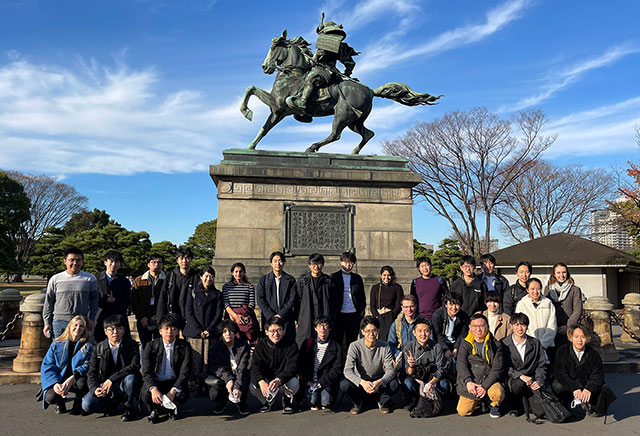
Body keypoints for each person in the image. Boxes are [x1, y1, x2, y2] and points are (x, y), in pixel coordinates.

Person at [286, 13, 358, 113]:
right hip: (332, 72)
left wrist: (312, 58)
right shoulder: (341, 46)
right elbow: (350, 63)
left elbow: (316, 59)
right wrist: (347, 72)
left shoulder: (327, 44)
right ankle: (306, 111)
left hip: (324, 71)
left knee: (310, 78)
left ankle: (303, 102)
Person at [82, 314, 142, 421]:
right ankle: (112, 402)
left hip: (123, 383)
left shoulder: (132, 345)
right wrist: (94, 389)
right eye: (111, 329)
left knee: (131, 379)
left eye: (119, 328)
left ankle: (128, 406)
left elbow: (135, 366)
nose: (115, 332)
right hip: (105, 386)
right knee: (87, 405)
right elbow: (92, 372)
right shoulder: (98, 348)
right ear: (105, 331)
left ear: (124, 330)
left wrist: (111, 379)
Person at [552, 324, 616, 418]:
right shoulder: (562, 351)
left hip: (585, 383)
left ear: (587, 338)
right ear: (570, 338)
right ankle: (565, 404)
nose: (579, 340)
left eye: (583, 337)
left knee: (604, 388)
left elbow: (597, 375)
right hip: (570, 384)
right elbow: (560, 373)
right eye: (576, 337)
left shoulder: (593, 354)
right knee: (557, 385)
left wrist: (589, 389)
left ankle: (592, 406)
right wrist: (573, 388)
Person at [340, 316, 398, 414]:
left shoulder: (385, 346)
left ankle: (383, 401)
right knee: (344, 384)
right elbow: (347, 370)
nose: (371, 334)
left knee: (394, 384)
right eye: (367, 331)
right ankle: (357, 403)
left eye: (374, 330)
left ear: (378, 331)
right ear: (362, 332)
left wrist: (380, 382)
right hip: (361, 383)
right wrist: (362, 382)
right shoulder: (355, 346)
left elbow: (390, 370)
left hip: (378, 383)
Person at [142, 313, 191, 423]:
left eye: (173, 329)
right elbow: (146, 372)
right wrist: (153, 388)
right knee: (146, 393)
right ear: (160, 331)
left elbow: (185, 371)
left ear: (177, 331)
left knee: (181, 394)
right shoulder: (151, 346)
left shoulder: (185, 346)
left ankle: (173, 408)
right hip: (157, 381)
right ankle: (154, 410)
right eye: (166, 328)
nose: (169, 332)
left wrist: (173, 391)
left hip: (174, 382)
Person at [40, 315, 93, 415]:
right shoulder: (56, 344)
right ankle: (60, 402)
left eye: (81, 326)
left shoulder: (88, 346)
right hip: (59, 379)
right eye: (75, 325)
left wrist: (74, 376)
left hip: (76, 379)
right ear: (69, 326)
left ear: (84, 330)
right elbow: (47, 365)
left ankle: (78, 401)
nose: (78, 328)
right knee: (50, 397)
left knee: (82, 383)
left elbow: (89, 364)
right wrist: (54, 383)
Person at [456, 314, 505, 418]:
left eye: (482, 326)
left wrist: (484, 386)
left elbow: (497, 369)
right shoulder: (465, 343)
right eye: (475, 326)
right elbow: (461, 364)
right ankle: (479, 401)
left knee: (497, 393)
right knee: (463, 411)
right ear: (470, 327)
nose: (478, 329)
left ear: (487, 326)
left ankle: (493, 404)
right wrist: (468, 381)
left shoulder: (496, 345)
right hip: (472, 380)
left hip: (489, 380)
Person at [43, 247, 98, 339]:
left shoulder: (90, 279)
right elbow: (49, 302)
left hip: (80, 322)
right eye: (71, 260)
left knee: (80, 351)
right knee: (60, 350)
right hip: (59, 322)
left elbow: (94, 301)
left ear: (82, 261)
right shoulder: (55, 279)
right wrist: (47, 323)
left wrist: (91, 319)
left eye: (78, 260)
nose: (75, 263)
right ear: (65, 261)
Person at [184, 266, 223, 394]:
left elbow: (218, 314)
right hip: (195, 332)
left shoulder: (217, 294)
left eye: (211, 276)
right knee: (195, 360)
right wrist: (198, 329)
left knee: (207, 361)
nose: (208, 279)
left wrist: (209, 330)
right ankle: (194, 384)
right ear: (201, 277)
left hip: (209, 332)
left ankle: (205, 385)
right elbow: (188, 311)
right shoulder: (193, 292)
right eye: (206, 276)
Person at [250, 317, 299, 414]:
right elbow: (255, 367)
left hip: (283, 380)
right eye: (272, 331)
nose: (276, 334)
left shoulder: (291, 345)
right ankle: (267, 401)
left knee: (294, 383)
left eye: (279, 330)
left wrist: (279, 379)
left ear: (283, 330)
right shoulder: (260, 346)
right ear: (266, 332)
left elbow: (292, 367)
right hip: (267, 380)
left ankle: (287, 399)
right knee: (253, 387)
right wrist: (261, 381)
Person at [399, 317, 448, 413]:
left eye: (426, 331)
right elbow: (407, 372)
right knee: (407, 383)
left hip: (432, 378)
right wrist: (411, 365)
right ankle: (414, 400)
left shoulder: (436, 347)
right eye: (420, 331)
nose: (423, 334)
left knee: (444, 385)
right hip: (416, 379)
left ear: (430, 332)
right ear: (414, 332)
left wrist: (431, 383)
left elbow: (441, 369)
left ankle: (435, 399)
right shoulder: (408, 347)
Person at [501, 312, 546, 417]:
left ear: (527, 326)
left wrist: (539, 381)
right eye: (516, 325)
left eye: (523, 325)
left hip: (531, 380)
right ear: (511, 326)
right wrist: (520, 376)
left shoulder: (535, 343)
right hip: (514, 379)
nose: (520, 328)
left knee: (541, 412)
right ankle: (516, 405)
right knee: (518, 384)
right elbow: (504, 366)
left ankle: (529, 402)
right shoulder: (504, 343)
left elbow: (541, 365)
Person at [297, 316, 344, 410]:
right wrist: (307, 379)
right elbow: (301, 364)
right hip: (310, 381)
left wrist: (322, 382)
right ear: (315, 328)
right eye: (319, 325)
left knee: (326, 403)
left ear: (329, 328)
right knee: (312, 401)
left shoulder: (336, 346)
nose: (322, 328)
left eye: (325, 325)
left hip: (326, 381)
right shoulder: (308, 343)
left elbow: (337, 368)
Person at [206, 320, 251, 415]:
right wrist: (229, 380)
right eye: (224, 331)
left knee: (245, 376)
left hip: (239, 373)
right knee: (214, 393)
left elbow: (243, 367)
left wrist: (237, 386)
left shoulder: (243, 345)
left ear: (234, 332)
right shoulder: (215, 348)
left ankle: (241, 402)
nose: (228, 334)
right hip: (223, 376)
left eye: (230, 331)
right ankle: (222, 402)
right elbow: (216, 367)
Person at [256, 251, 298, 342]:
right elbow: (260, 299)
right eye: (275, 261)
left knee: (287, 342)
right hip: (269, 318)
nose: (278, 263)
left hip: (286, 317)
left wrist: (281, 314)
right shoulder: (264, 280)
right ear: (271, 263)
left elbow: (292, 299)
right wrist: (271, 316)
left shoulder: (290, 280)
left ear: (284, 262)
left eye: (280, 261)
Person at [296, 253, 335, 347]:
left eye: (319, 263)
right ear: (309, 265)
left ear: (323, 265)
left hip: (324, 315)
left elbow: (334, 301)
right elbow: (297, 300)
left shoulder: (328, 281)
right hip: (307, 317)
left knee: (323, 342)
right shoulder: (303, 281)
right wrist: (297, 319)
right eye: (313, 264)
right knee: (307, 343)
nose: (316, 266)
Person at [330, 251, 366, 352]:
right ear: (341, 262)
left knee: (352, 342)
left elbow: (362, 297)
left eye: (351, 263)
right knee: (338, 341)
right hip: (339, 315)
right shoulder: (333, 277)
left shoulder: (357, 278)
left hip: (353, 314)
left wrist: (361, 313)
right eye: (346, 262)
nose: (348, 265)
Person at [544, 262, 584, 349]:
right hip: (552, 328)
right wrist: (554, 326)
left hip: (568, 329)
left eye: (564, 272)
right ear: (554, 274)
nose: (561, 275)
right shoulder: (548, 289)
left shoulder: (575, 290)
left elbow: (578, 310)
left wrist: (568, 326)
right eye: (558, 273)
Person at [95, 250, 131, 343]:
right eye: (111, 261)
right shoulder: (96, 279)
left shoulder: (124, 281)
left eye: (117, 262)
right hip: (101, 317)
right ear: (105, 262)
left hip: (119, 316)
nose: (114, 264)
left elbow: (127, 299)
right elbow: (93, 298)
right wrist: (105, 301)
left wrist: (116, 302)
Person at [130, 254, 166, 348]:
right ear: (148, 264)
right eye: (153, 262)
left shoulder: (167, 280)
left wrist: (158, 316)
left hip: (160, 319)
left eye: (159, 262)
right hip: (143, 319)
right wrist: (142, 317)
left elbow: (168, 300)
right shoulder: (139, 280)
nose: (156, 264)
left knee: (160, 347)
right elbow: (134, 301)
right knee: (145, 347)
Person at [515, 278, 556, 356]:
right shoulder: (521, 304)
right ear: (527, 290)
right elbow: (520, 325)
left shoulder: (548, 303)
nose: (535, 292)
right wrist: (531, 343)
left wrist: (542, 344)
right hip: (528, 346)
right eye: (532, 289)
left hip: (547, 346)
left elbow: (552, 326)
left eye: (538, 289)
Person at [156, 247, 199, 319]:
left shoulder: (196, 277)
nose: (184, 261)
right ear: (177, 260)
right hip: (172, 315)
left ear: (191, 259)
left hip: (191, 317)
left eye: (187, 258)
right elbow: (163, 298)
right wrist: (160, 318)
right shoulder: (170, 276)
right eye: (181, 258)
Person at [221, 262, 259, 344]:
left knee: (244, 342)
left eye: (240, 271)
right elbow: (226, 303)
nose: (238, 274)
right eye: (236, 271)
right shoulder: (226, 286)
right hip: (230, 317)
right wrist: (234, 315)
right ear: (232, 273)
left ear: (244, 272)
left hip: (245, 318)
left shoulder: (249, 286)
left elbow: (251, 303)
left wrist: (243, 316)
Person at [369, 265, 404, 343]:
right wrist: (377, 316)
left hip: (390, 315)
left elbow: (398, 304)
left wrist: (391, 315)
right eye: (384, 275)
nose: (386, 277)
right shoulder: (375, 288)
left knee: (389, 337)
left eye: (389, 275)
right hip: (379, 315)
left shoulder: (397, 288)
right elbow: (372, 305)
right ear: (381, 276)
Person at [431, 291, 469, 360]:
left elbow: (462, 334)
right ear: (446, 304)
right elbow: (437, 335)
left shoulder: (464, 316)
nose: (454, 308)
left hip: (456, 342)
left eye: (457, 304)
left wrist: (456, 348)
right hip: (441, 343)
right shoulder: (438, 315)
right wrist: (445, 349)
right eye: (451, 304)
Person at [410, 257, 448, 321]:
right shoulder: (415, 282)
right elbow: (413, 299)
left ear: (430, 266)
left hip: (437, 316)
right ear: (419, 268)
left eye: (427, 265)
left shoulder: (439, 280)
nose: (425, 268)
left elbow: (446, 296)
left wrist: (442, 308)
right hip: (420, 316)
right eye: (422, 266)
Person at [387, 294, 419, 359]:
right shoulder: (396, 324)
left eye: (411, 306)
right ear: (402, 307)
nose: (409, 309)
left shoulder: (424, 323)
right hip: (402, 358)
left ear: (416, 306)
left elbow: (430, 342)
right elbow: (391, 344)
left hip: (420, 357)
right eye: (406, 307)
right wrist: (399, 354)